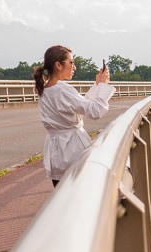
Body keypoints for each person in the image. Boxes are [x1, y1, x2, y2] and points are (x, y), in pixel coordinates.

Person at [32, 45, 116, 187]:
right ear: (58, 65)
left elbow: (80, 105)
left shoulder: (45, 90)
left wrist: (97, 85)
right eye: (71, 62)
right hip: (73, 150)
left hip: (56, 154)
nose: (74, 67)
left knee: (64, 196)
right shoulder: (62, 89)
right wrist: (102, 86)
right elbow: (95, 111)